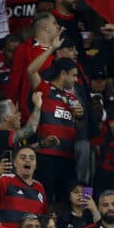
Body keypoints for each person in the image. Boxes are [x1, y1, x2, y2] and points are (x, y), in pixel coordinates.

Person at [27, 51, 84, 203]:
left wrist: (79, 117)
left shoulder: (73, 97)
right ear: (63, 73)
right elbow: (31, 71)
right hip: (46, 155)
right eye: (73, 75)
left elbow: (79, 128)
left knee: (66, 200)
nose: (76, 79)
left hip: (68, 156)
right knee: (45, 197)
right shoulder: (45, 89)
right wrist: (52, 48)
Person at [0, 147, 48, 228]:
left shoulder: (40, 187)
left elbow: (43, 217)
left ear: (35, 165)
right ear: (15, 163)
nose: (28, 160)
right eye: (23, 157)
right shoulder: (5, 179)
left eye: (32, 158)